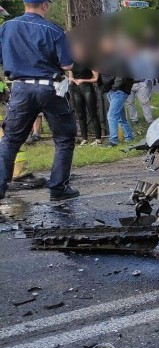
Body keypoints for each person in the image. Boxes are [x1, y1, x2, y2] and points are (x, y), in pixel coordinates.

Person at [0, 0, 79, 201]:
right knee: (63, 139)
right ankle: (58, 188)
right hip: (50, 88)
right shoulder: (53, 29)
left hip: (20, 87)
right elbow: (67, 64)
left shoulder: (7, 27)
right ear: (44, 5)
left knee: (10, 141)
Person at [99, 36, 135, 147]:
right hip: (112, 91)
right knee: (120, 117)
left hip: (118, 91)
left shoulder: (119, 59)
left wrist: (114, 87)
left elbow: (121, 76)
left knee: (112, 115)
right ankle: (129, 137)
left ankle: (113, 141)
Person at [69, 39, 101, 146]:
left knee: (92, 113)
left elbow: (95, 78)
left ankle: (98, 138)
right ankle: (84, 138)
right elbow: (70, 76)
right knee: (80, 114)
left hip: (87, 87)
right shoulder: (72, 62)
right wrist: (73, 80)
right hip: (75, 88)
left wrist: (84, 80)